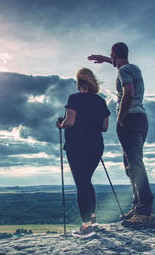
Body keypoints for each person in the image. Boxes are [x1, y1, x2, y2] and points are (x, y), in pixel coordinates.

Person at [88, 42, 155, 228]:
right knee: (130, 165)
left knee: (135, 164)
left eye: (112, 57)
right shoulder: (133, 68)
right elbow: (119, 64)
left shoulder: (123, 71)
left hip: (130, 119)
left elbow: (128, 94)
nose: (112, 60)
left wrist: (120, 118)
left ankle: (145, 212)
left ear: (115, 54)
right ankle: (138, 206)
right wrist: (105, 59)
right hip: (141, 118)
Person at [56, 68, 110, 238]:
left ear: (78, 83)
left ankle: (86, 227)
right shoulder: (101, 101)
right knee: (86, 181)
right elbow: (104, 127)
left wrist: (60, 124)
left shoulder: (74, 99)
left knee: (82, 184)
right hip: (95, 146)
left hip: (77, 145)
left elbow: (70, 122)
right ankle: (93, 220)